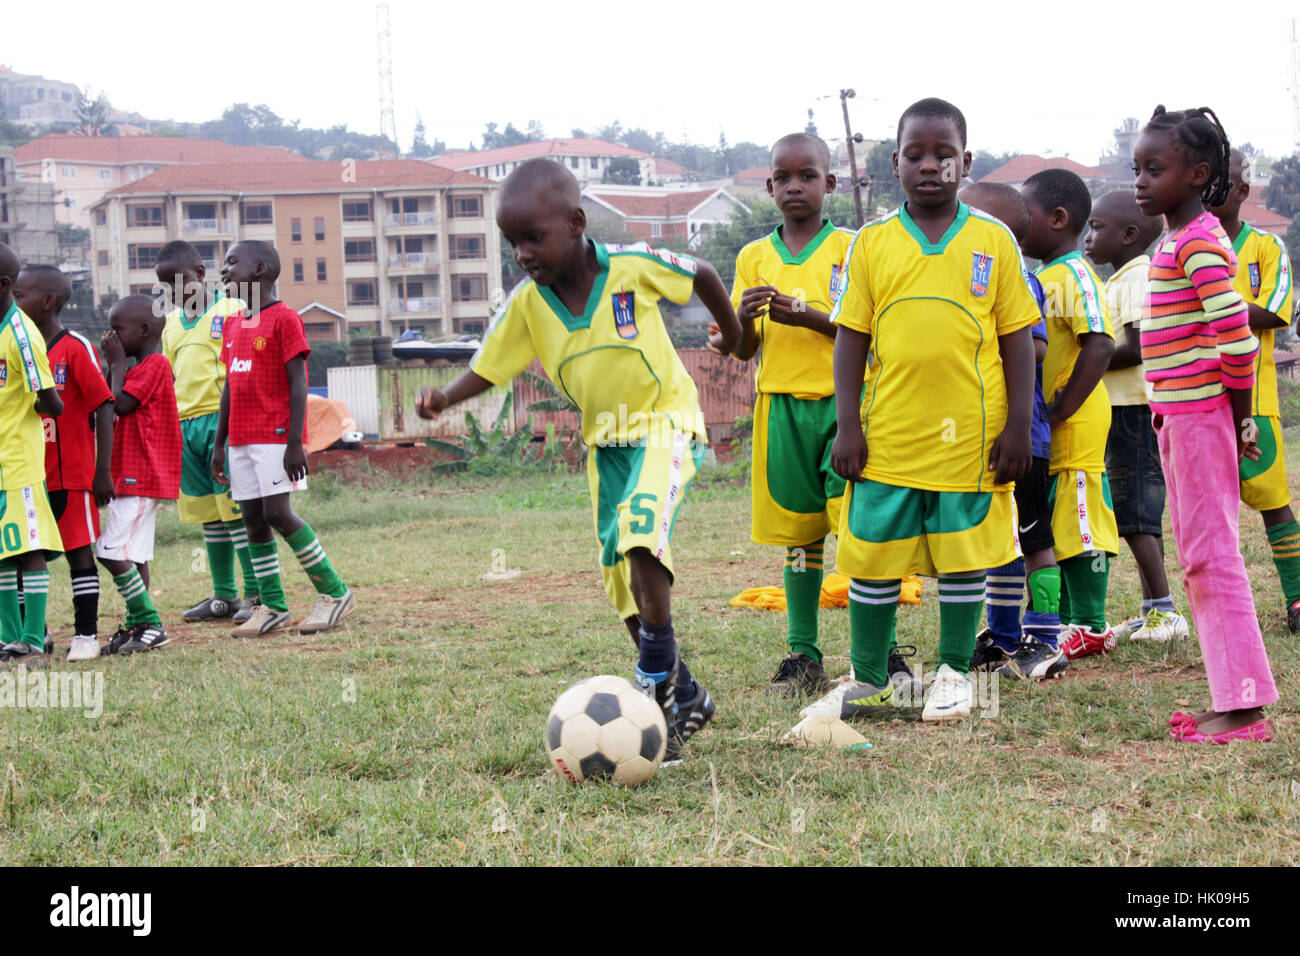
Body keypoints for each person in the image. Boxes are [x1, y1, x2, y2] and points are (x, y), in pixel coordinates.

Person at [414, 158, 742, 756]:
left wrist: (737, 335)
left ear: (576, 222)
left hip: (665, 422)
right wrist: (445, 397)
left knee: (644, 527)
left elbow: (703, 272)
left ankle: (650, 680)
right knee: (621, 582)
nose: (523, 253)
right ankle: (684, 692)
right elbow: (489, 367)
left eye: (533, 237)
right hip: (606, 445)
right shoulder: (527, 305)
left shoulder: (632, 266)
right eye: (511, 243)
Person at [827, 98, 1039, 722]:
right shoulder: (871, 243)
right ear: (894, 163)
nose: (930, 166)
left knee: (961, 554)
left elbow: (1018, 340)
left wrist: (1017, 426)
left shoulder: (993, 240)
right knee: (871, 555)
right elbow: (850, 338)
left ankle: (952, 673)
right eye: (915, 154)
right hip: (887, 434)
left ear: (965, 162)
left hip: (969, 439)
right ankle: (869, 680)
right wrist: (847, 424)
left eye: (944, 155)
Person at [1135, 105, 1277, 742]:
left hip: (1198, 418)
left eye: (1153, 168)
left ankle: (1244, 707)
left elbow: (1238, 339)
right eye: (1138, 167)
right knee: (1201, 555)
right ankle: (1234, 695)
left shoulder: (1197, 240)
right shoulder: (1175, 238)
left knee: (1211, 557)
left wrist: (1243, 418)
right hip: (1178, 417)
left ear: (1197, 174)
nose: (1139, 180)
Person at [721, 132, 861, 697]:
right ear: (770, 186)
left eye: (807, 176)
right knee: (800, 537)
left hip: (844, 406)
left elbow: (862, 330)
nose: (794, 186)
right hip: (779, 406)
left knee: (862, 531)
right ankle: (803, 653)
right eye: (783, 177)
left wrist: (808, 316)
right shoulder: (753, 257)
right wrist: (742, 317)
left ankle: (882, 655)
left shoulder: (854, 248)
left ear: (829, 183)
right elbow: (742, 348)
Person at [211, 240, 356, 638]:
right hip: (239, 437)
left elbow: (298, 383)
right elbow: (229, 387)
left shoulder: (285, 318)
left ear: (260, 270)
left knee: (277, 513)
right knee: (253, 519)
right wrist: (220, 442)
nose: (223, 272)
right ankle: (272, 605)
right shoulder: (233, 323)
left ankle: (335, 592)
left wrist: (296, 440)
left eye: (231, 263)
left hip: (275, 436)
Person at [956, 182, 1067, 681]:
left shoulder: (1017, 274)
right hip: (982, 434)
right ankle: (1002, 637)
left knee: (1034, 536)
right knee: (999, 541)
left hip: (1024, 437)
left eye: (974, 210)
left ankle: (1045, 637)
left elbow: (1036, 347)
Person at [1020, 169, 1119, 661]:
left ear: (1058, 219)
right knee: (1054, 519)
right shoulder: (1038, 278)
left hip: (1075, 416)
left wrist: (1060, 408)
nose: (1016, 225)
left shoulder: (1077, 273)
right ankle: (1054, 620)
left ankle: (1092, 623)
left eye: (1025, 215)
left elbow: (1100, 344)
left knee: (1081, 518)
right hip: (1046, 424)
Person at [1086, 190, 1189, 643]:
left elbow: (1138, 346)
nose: (1088, 237)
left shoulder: (1135, 278)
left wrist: (1087, 361)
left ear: (1128, 236)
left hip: (1134, 409)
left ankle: (1165, 610)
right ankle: (1153, 608)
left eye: (1096, 228)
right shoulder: (1121, 278)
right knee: (1137, 511)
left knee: (1135, 512)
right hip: (1123, 409)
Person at [1209, 150, 1299, 631]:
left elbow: (1277, 310)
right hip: (1198, 402)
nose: (1210, 190)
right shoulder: (1181, 244)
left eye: (1222, 182)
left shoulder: (1265, 247)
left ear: (1242, 191)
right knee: (1209, 512)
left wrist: (1214, 302)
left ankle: (1298, 597)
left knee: (1272, 501)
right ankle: (1220, 606)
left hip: (1254, 400)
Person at [13, 264, 114, 661]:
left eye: (22, 297)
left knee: (78, 553)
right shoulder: (21, 347)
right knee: (25, 554)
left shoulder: (76, 346)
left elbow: (103, 404)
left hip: (72, 474)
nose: (16, 304)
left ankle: (86, 635)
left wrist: (101, 469)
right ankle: (35, 633)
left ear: (48, 301)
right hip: (30, 474)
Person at [156, 240, 259, 624]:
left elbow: (242, 370)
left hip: (223, 424)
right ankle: (224, 595)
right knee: (209, 516)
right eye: (164, 285)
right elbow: (169, 378)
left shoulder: (233, 309)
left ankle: (255, 592)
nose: (172, 291)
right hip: (187, 428)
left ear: (200, 275)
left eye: (177, 281)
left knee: (236, 511)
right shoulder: (169, 325)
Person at [96, 295, 180, 654]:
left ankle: (150, 623)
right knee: (135, 555)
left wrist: (115, 364)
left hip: (139, 476)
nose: (112, 337)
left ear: (144, 330)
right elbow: (101, 402)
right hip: (132, 477)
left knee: (109, 551)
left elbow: (119, 405)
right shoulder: (132, 369)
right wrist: (111, 365)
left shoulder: (156, 365)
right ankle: (137, 626)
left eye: (118, 330)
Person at [0, 244, 65, 664]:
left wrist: (36, 406)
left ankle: (34, 640)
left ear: (3, 285)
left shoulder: (22, 334)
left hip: (20, 461)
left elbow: (52, 402)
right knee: (2, 552)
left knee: (28, 549)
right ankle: (8, 639)